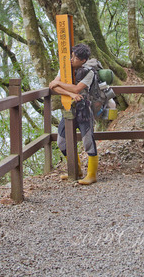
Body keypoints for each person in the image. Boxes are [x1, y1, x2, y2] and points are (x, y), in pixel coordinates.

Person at [49, 43, 99, 185]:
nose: (72, 59)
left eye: (75, 57)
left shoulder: (89, 72)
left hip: (84, 110)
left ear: (83, 60)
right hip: (69, 110)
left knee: (88, 141)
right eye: (71, 56)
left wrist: (63, 86)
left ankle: (92, 174)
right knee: (61, 141)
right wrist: (69, 93)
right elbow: (53, 87)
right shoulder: (65, 69)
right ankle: (76, 170)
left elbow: (77, 88)